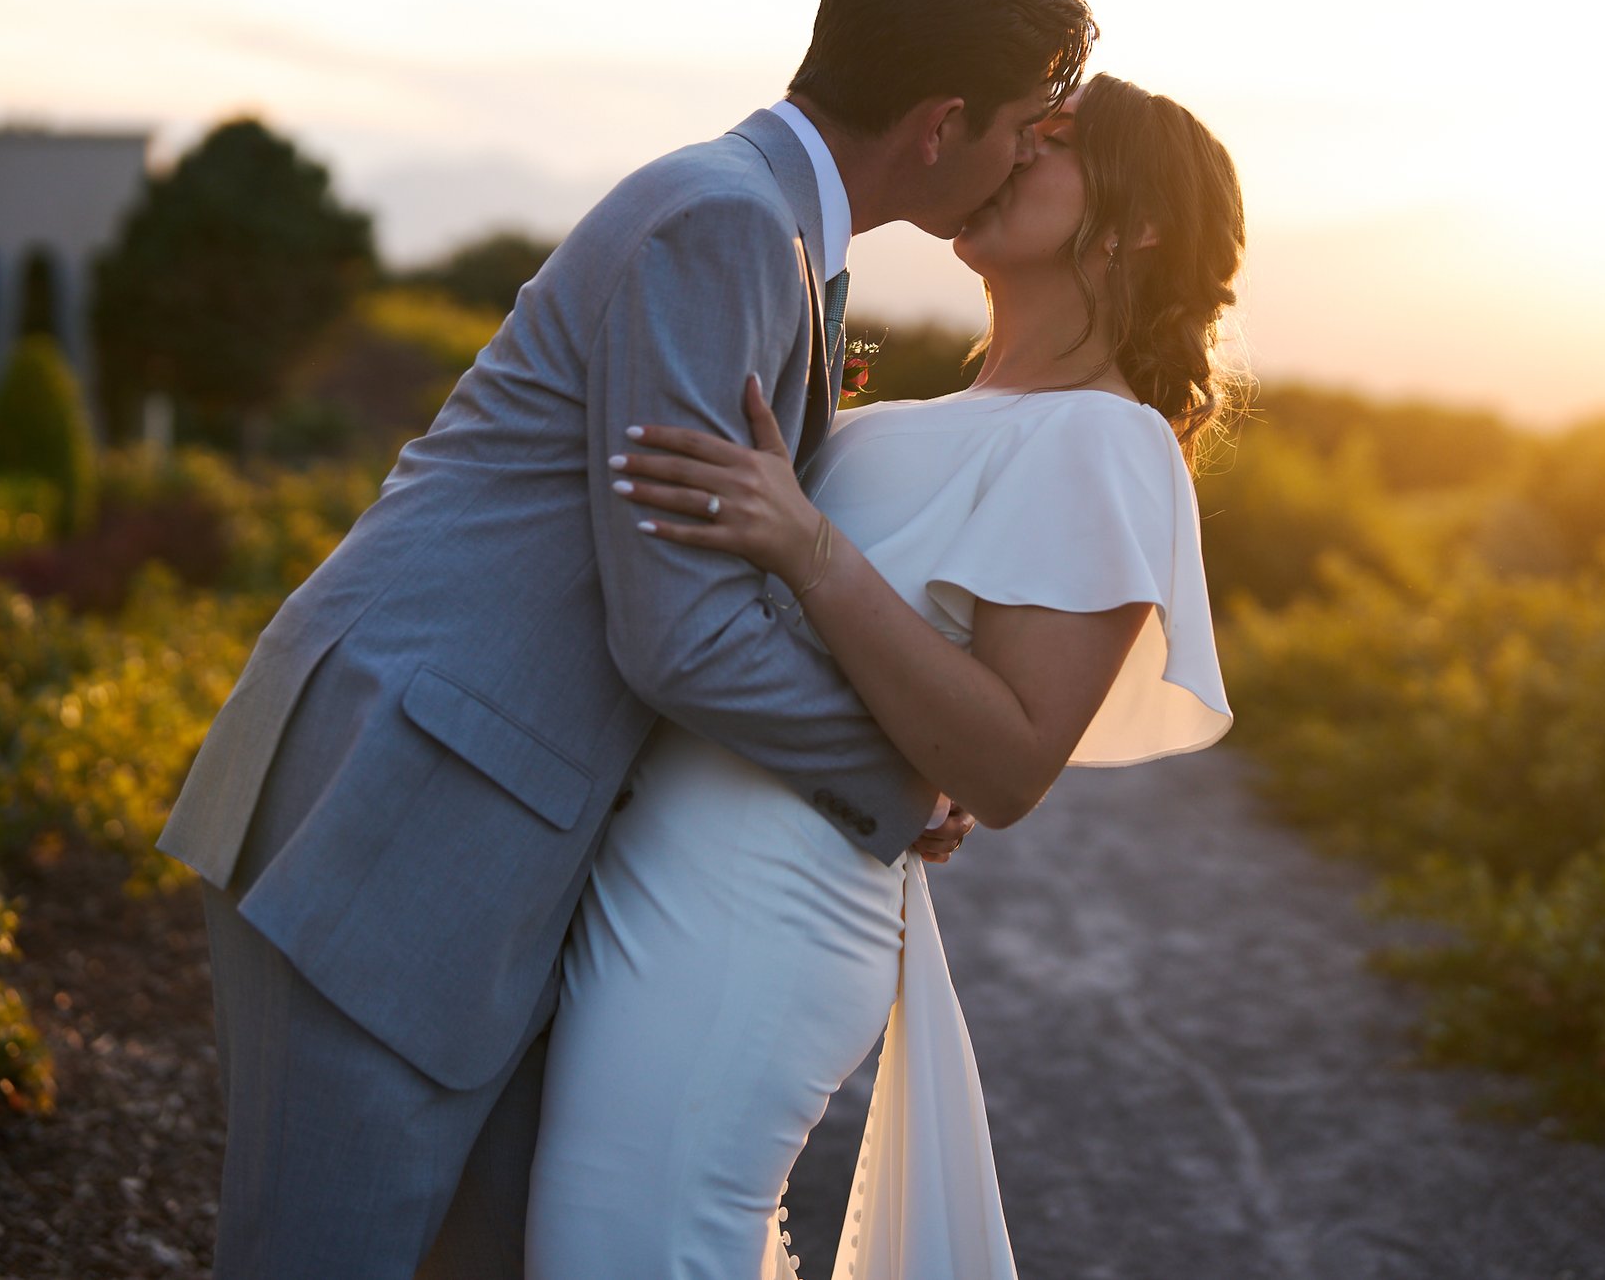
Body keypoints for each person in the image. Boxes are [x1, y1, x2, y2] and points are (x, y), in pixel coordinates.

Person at [154, 0, 1095, 1279]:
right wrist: (901, 780)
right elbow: (686, 631)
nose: (1025, 154)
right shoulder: (726, 225)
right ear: (943, 123)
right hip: (399, 811)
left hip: (467, 816)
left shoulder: (756, 220)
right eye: (1022, 124)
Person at [528, 73, 1246, 1279]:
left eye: (1055, 139)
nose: (1014, 150)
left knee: (625, 1249)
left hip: (765, 904)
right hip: (667, 867)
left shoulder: (1103, 437)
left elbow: (1009, 765)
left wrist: (809, 545)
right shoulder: (911, 415)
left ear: (1138, 223)